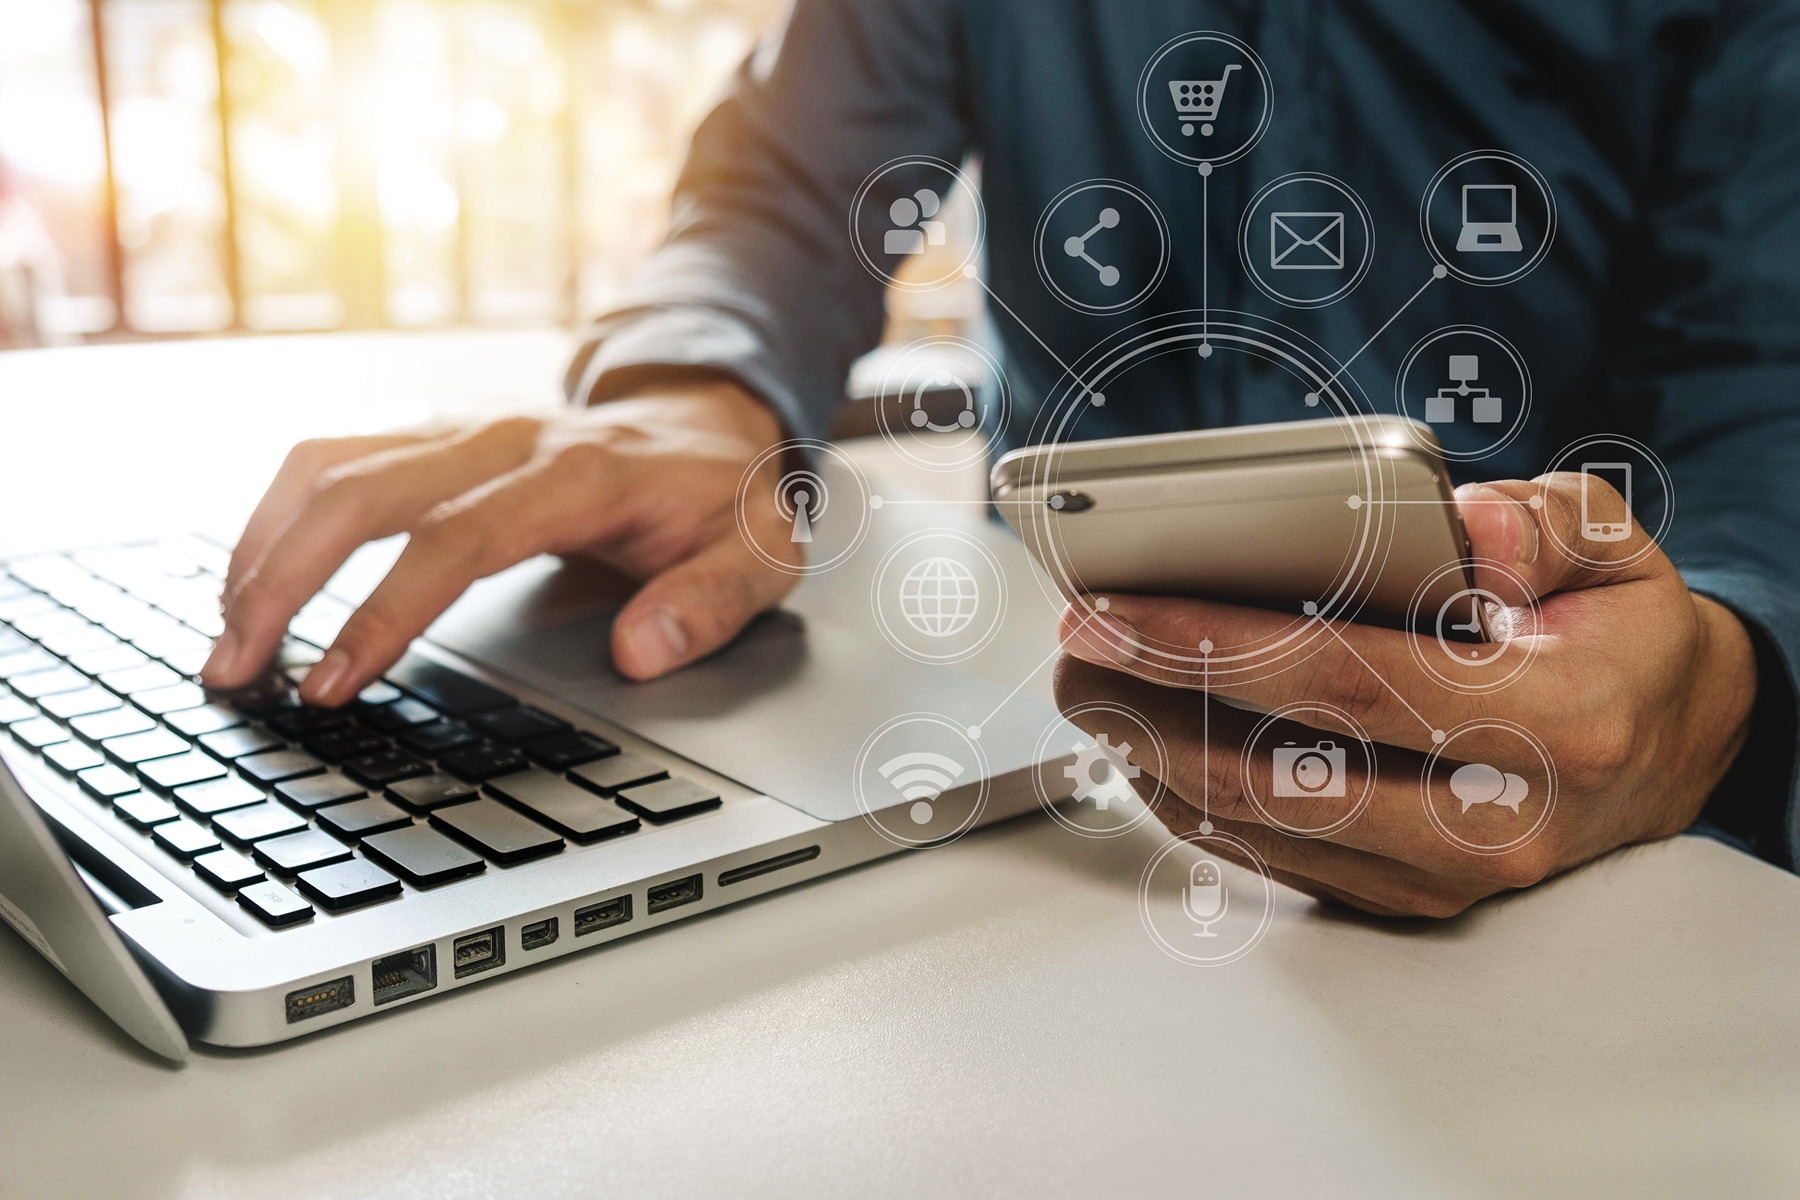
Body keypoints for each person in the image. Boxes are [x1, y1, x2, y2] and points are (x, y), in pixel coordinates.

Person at [203, 0, 1800, 915]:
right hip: (1020, 754)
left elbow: (1767, 365)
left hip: (1545, 796)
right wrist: (696, 390)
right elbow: (788, 181)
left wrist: (1720, 676)